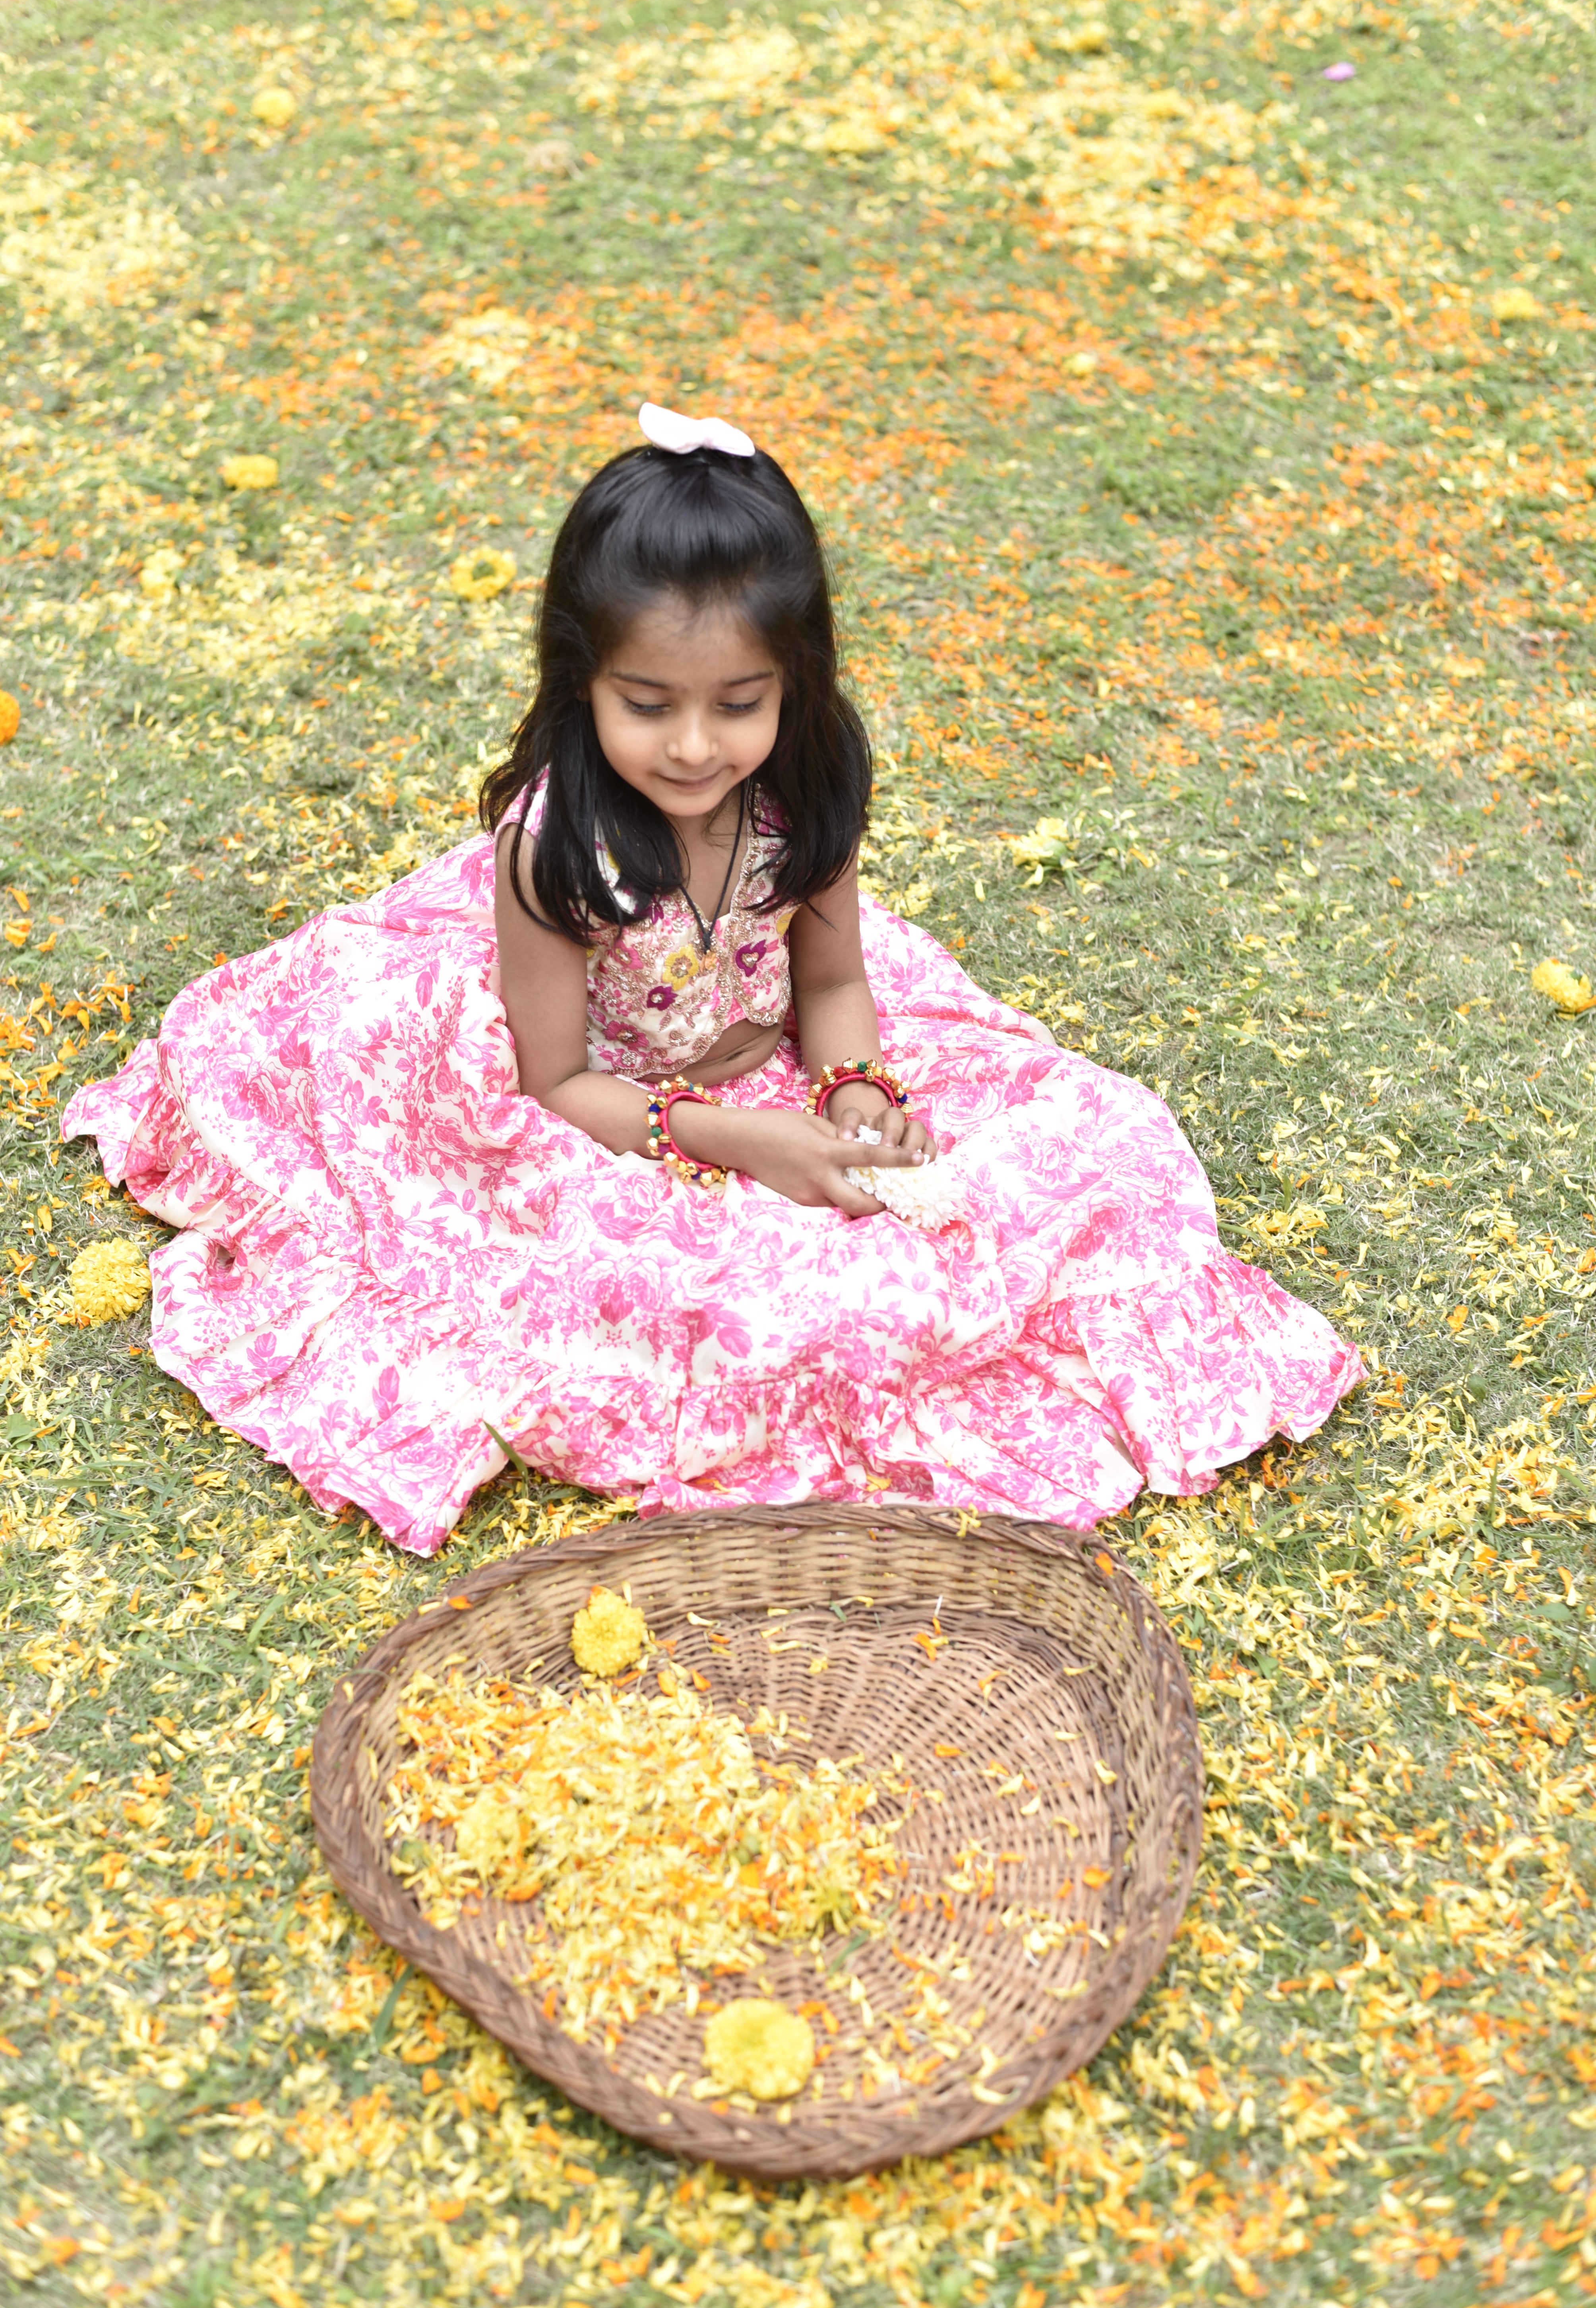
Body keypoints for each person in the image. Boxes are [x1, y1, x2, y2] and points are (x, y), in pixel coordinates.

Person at [64, 403, 1364, 1557]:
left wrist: (853, 1090)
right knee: (708, 1306)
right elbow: (553, 1086)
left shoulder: (799, 802)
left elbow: (838, 977)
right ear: (582, 686)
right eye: (648, 705)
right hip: (609, 1112)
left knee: (1100, 1152)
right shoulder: (554, 848)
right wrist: (745, 1144)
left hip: (772, 1066)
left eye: (740, 704)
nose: (695, 747)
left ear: (796, 688)